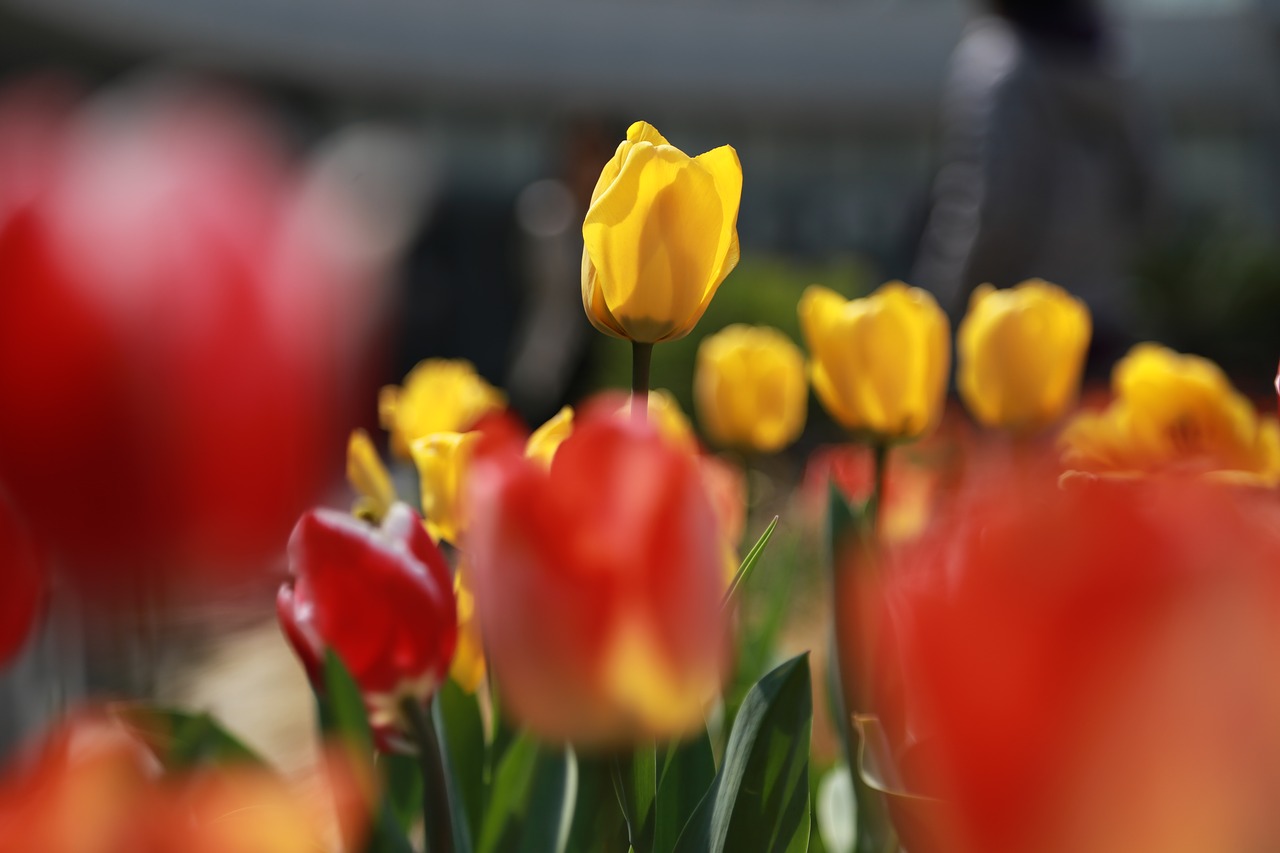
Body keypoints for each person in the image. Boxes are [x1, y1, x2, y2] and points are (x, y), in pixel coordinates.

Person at [912, 0, 1164, 368]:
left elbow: (992, 208)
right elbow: (1153, 198)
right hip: (1105, 318)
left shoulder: (995, 61)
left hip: (1016, 330)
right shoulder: (1113, 63)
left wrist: (945, 303)